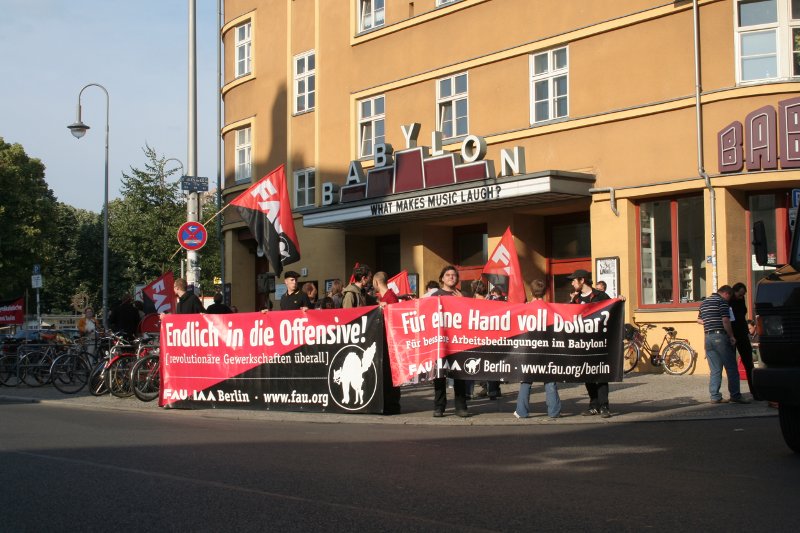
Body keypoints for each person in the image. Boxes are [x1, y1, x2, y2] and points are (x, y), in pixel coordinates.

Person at [568, 269, 612, 418]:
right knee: (587, 375)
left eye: (574, 280)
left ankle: (604, 406)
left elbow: (612, 310)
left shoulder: (600, 296)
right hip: (582, 344)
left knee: (600, 375)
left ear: (582, 280)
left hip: (598, 342)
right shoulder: (576, 299)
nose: (572, 283)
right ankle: (593, 404)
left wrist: (620, 300)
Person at [515, 279, 561, 420]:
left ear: (531, 291)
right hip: (548, 349)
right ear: (545, 292)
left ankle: (522, 411)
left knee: (526, 380)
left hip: (530, 350)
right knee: (550, 380)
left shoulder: (526, 308)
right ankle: (554, 412)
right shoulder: (551, 308)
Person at [698, 285, 749, 404]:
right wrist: (731, 336)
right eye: (729, 297)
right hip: (720, 337)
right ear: (726, 294)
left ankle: (715, 396)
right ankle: (735, 395)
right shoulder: (722, 302)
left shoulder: (704, 302)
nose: (728, 300)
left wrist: (711, 321)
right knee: (731, 367)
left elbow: (699, 320)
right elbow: (725, 320)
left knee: (715, 369)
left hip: (708, 337)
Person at [429, 265, 469, 418]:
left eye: (454, 275)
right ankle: (439, 407)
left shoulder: (463, 294)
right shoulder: (435, 296)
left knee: (459, 375)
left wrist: (462, 301)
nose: (451, 277)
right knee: (439, 376)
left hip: (458, 341)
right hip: (440, 341)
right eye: (448, 275)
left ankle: (461, 407)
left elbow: (471, 315)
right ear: (442, 278)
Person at [372, 271, 402, 415]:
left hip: (390, 343)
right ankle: (388, 404)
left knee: (389, 375)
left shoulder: (390, 298)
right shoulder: (386, 297)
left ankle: (392, 405)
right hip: (386, 341)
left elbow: (394, 318)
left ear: (376, 282)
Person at [730, 282, 758, 400]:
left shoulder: (741, 300)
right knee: (732, 365)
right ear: (734, 292)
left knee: (748, 363)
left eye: (743, 295)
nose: (742, 297)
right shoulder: (728, 302)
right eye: (740, 295)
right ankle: (735, 394)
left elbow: (743, 314)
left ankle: (754, 391)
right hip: (732, 334)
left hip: (742, 333)